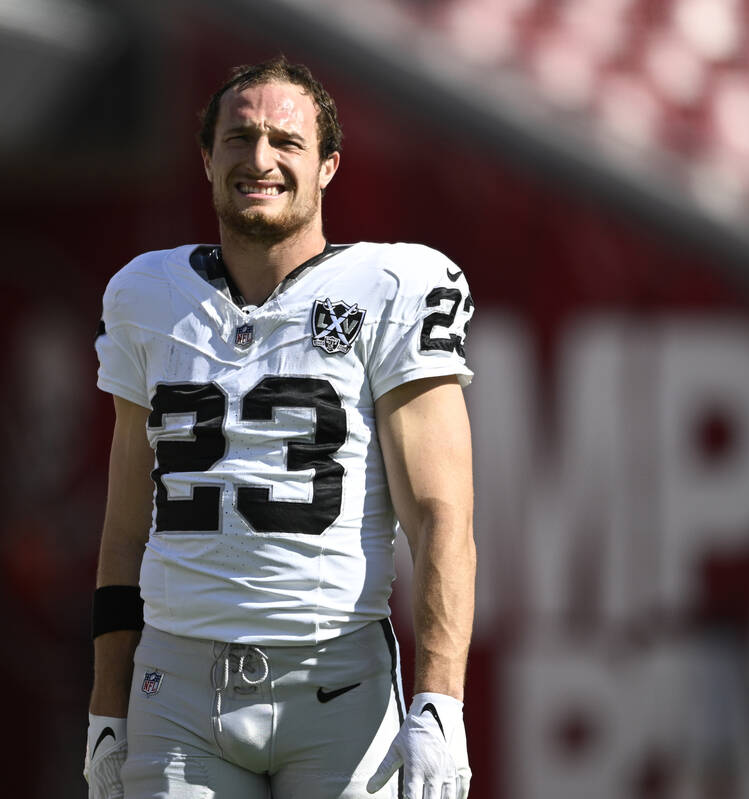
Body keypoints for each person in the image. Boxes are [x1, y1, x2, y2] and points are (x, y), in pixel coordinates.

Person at [86, 56, 475, 799]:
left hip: (335, 685)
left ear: (328, 165)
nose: (259, 159)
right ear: (206, 158)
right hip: (177, 690)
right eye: (238, 138)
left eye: (284, 141)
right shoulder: (146, 295)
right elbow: (125, 526)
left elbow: (440, 518)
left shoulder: (392, 287)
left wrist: (441, 700)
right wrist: (107, 700)